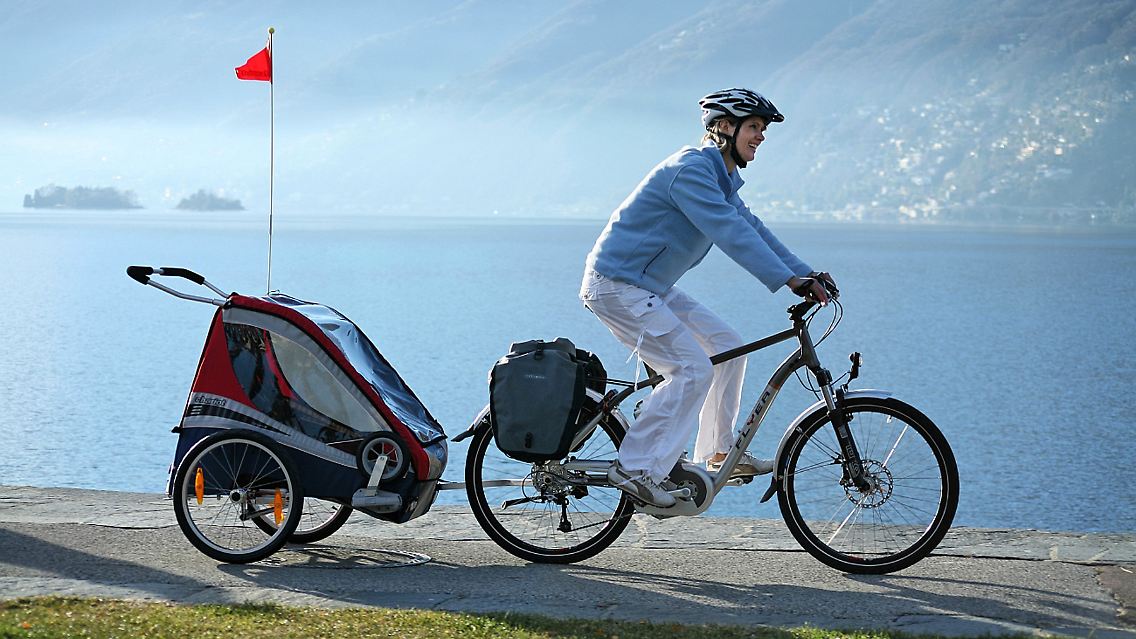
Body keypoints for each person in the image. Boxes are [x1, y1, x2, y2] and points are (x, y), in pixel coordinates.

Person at [579, 88, 836, 507]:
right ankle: (635, 467)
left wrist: (803, 272)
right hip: (616, 285)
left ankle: (717, 452)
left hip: (647, 285)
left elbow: (751, 227)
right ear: (724, 128)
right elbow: (730, 234)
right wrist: (789, 281)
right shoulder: (693, 172)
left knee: (729, 347)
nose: (761, 137)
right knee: (691, 369)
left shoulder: (720, 177)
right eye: (754, 127)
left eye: (762, 129)